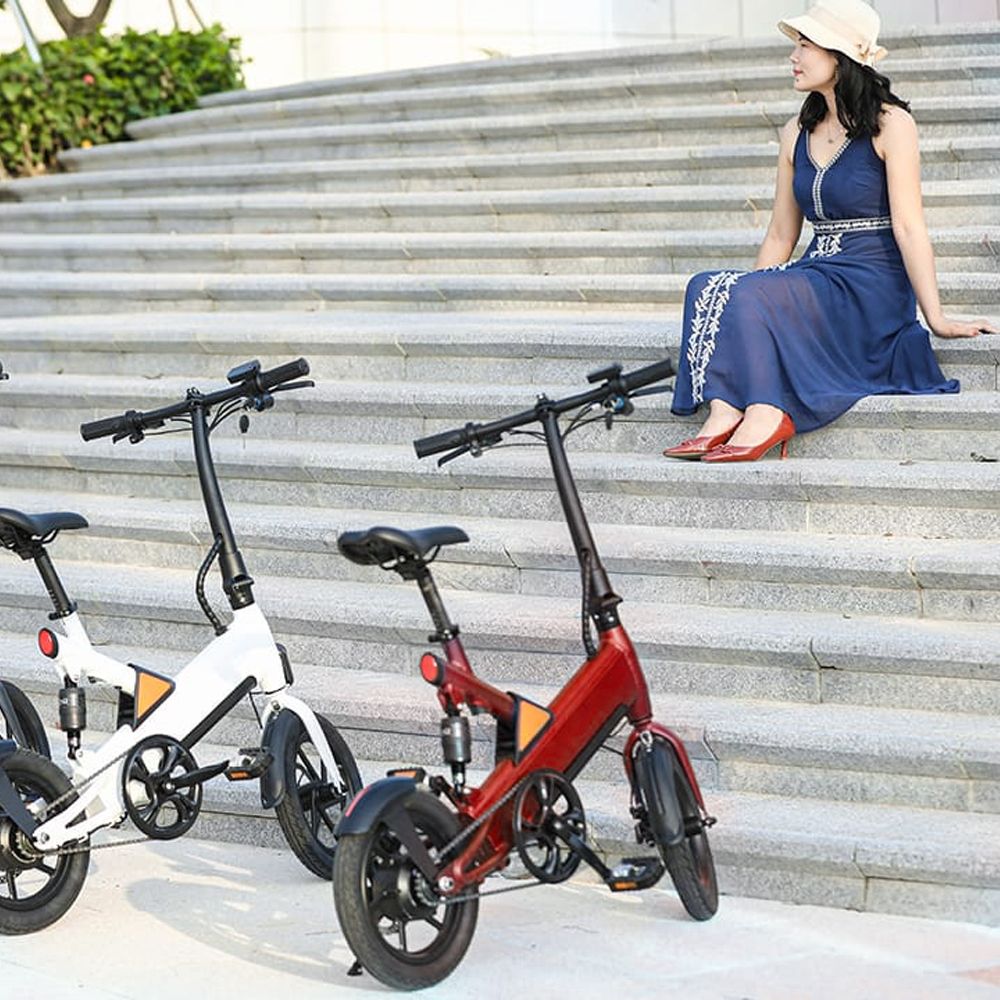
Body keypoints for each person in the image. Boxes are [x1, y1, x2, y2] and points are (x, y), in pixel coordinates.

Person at [664, 0, 998, 463]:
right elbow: (781, 234)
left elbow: (909, 226)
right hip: (818, 274)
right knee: (707, 285)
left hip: (870, 285)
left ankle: (767, 411)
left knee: (751, 293)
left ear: (839, 56)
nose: (793, 56)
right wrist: (747, 299)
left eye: (805, 45)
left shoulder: (891, 124)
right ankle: (724, 409)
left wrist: (936, 317)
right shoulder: (795, 131)